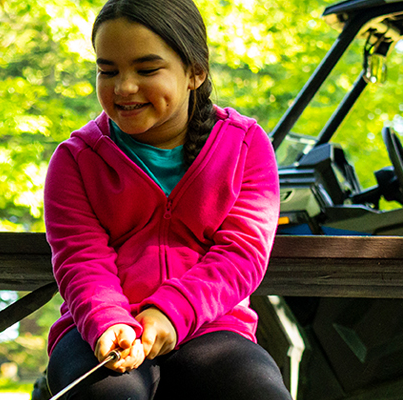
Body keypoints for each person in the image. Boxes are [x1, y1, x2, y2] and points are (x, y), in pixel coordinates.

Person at [42, 0, 292, 398]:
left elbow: (241, 254)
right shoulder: (75, 160)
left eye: (146, 69)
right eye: (108, 70)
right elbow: (80, 258)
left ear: (195, 71)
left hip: (213, 329)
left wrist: (171, 313)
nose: (123, 86)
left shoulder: (245, 145)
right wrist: (109, 322)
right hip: (100, 333)